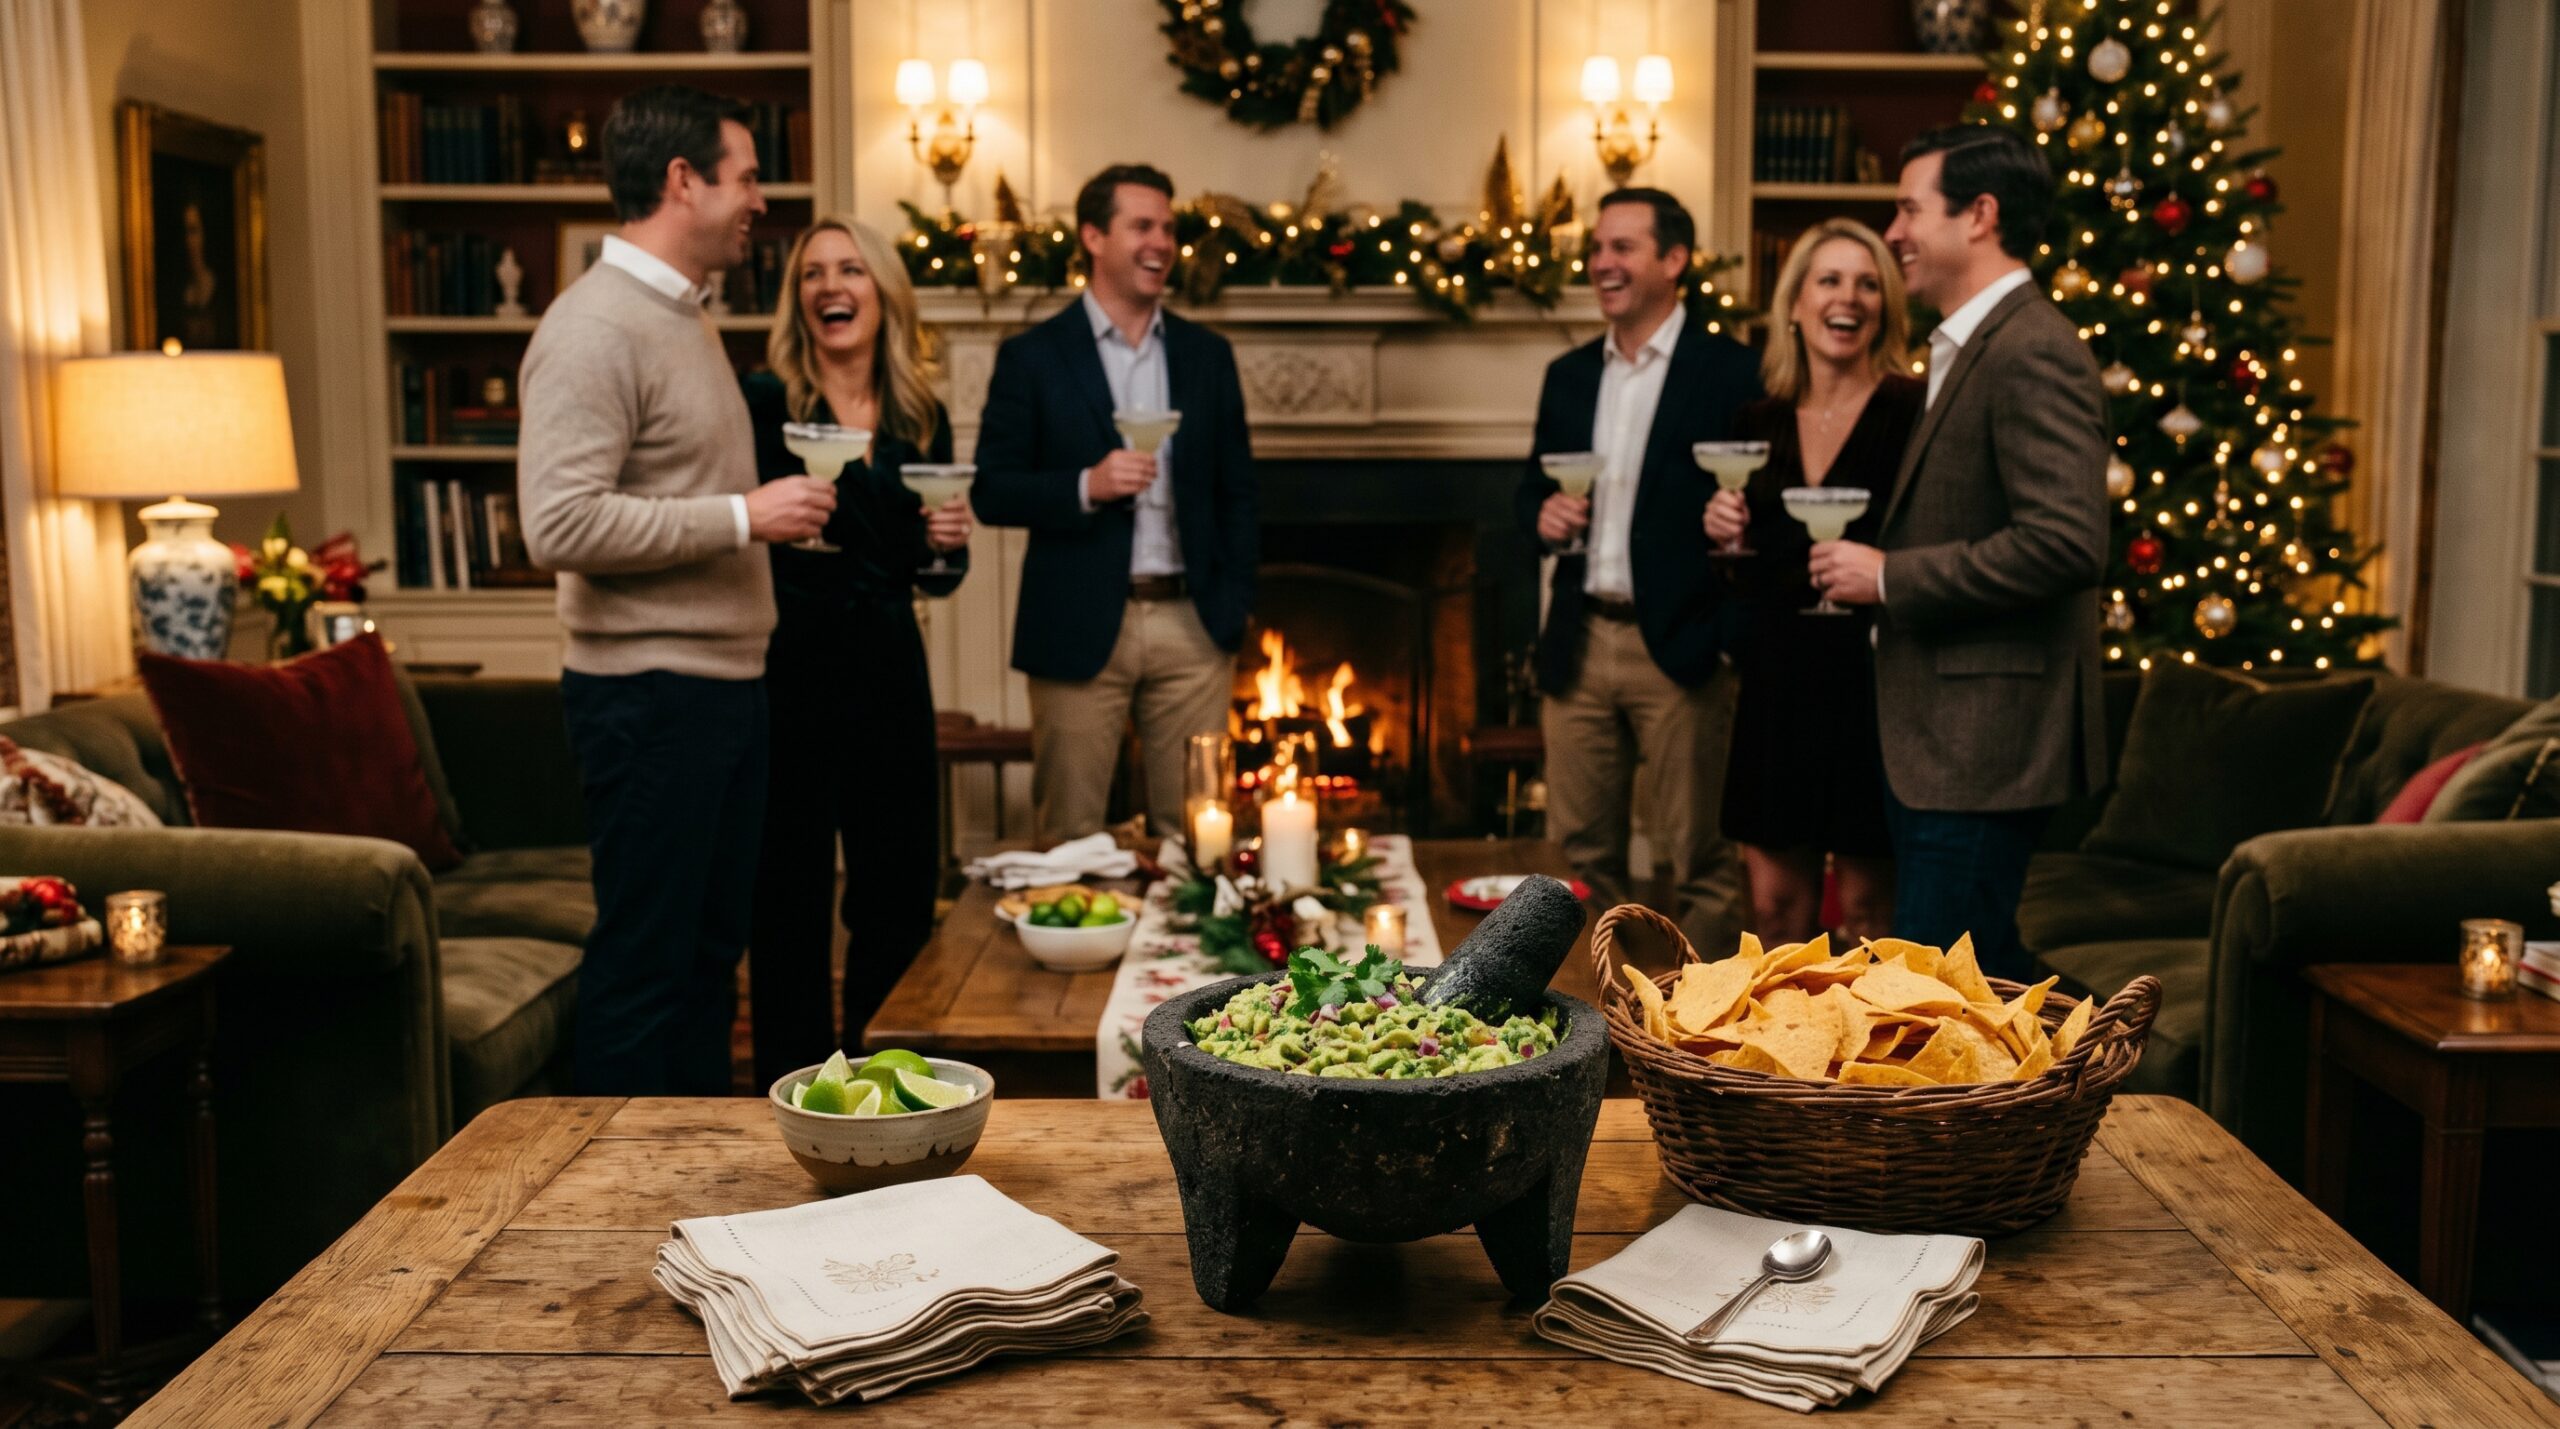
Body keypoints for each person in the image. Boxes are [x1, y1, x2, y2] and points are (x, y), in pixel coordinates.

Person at [519, 85, 835, 1094]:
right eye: (745, 177)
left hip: (719, 688)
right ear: (682, 180)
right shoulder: (592, 328)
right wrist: (745, 517)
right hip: (650, 696)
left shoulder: (682, 318)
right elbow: (557, 525)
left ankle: (690, 1185)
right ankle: (605, 1203)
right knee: (648, 969)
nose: (760, 200)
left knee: (706, 966)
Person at [1807, 123, 2110, 981]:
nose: (1894, 230)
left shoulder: (2030, 349)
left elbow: (2065, 541)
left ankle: (2124, 1078)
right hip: (1945, 743)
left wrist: (1891, 576)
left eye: (1909, 208)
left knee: (1947, 992)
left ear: (1979, 215)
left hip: (1983, 749)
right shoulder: (1969, 344)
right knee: (1965, 978)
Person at [740, 217, 973, 1092]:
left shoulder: (922, 414)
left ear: (883, 294)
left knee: (897, 888)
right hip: (790, 666)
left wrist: (949, 542)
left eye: (850, 271)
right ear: (799, 300)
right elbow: (755, 531)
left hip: (887, 665)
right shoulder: (767, 401)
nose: (830, 286)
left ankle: (894, 1082)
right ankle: (798, 1090)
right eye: (811, 274)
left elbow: (935, 573)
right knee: (789, 893)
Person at [974, 163, 1256, 842]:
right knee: (1069, 839)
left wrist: (1233, 604)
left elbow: (1238, 492)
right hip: (1075, 624)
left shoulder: (1206, 355)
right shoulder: (1033, 357)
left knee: (1197, 838)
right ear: (1093, 236)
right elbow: (992, 488)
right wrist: (1085, 485)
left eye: (1168, 227)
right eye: (1143, 226)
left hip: (1192, 626)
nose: (1162, 242)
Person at [1516, 187, 1761, 960]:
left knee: (1704, 859)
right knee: (1580, 860)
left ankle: (1700, 1038)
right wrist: (1542, 516)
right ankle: (1604, 1027)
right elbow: (1530, 490)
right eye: (1597, 249)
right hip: (1580, 637)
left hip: (1683, 645)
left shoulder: (1732, 372)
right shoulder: (1568, 375)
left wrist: (1726, 636)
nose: (1601, 264)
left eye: (1622, 248)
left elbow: (1760, 507)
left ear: (1674, 260)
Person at [1704, 220, 1921, 945]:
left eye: (1867, 283)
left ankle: (1867, 1062)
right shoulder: (1755, 423)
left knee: (1869, 916)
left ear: (1886, 305)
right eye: (1829, 280)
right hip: (1778, 688)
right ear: (1795, 303)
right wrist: (1725, 539)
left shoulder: (1913, 412)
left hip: (1875, 690)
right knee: (1773, 914)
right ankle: (1771, 1061)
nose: (1848, 298)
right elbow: (1748, 580)